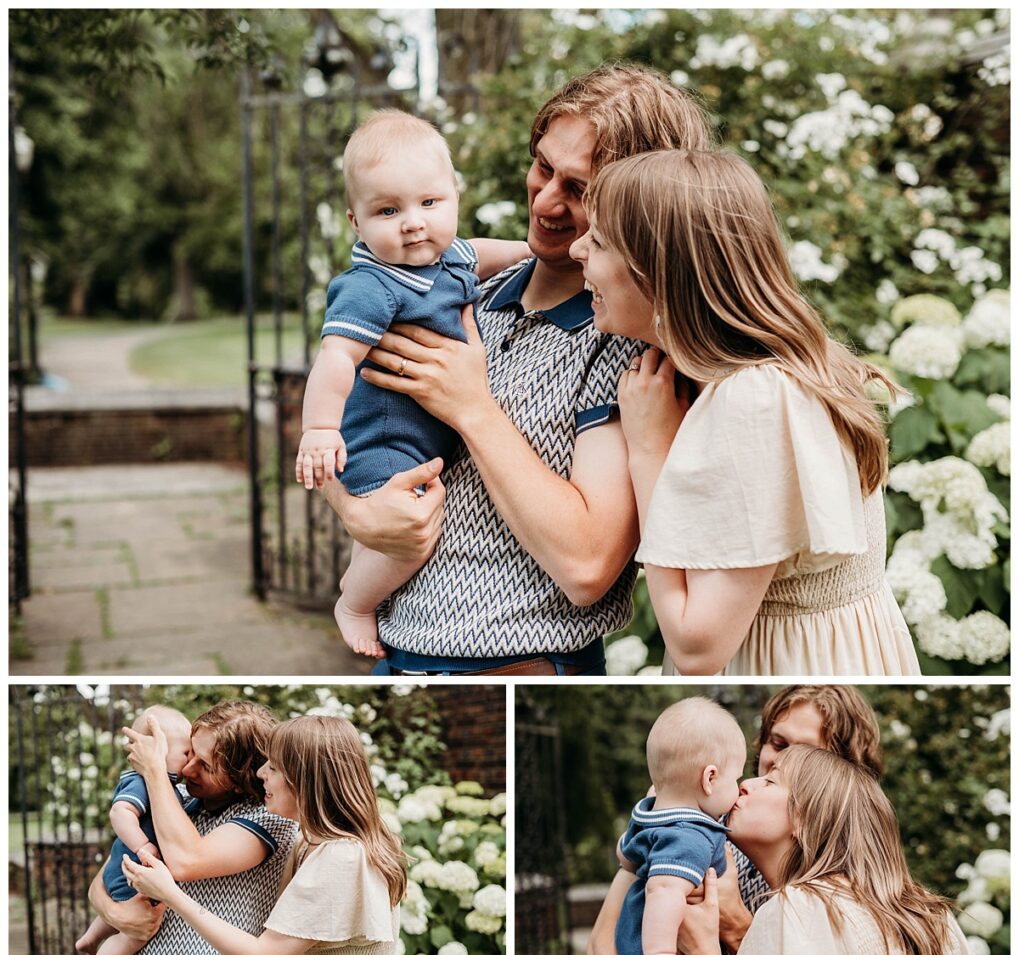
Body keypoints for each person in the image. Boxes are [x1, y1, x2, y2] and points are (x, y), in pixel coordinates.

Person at [321, 64, 715, 675]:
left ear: (641, 206)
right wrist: (353, 510)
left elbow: (586, 569)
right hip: (398, 656)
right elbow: (344, 419)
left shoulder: (629, 346)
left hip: (517, 667)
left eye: (580, 189)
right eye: (542, 167)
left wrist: (472, 406)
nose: (546, 200)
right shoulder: (461, 288)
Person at [570, 148, 921, 676]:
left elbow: (695, 647)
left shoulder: (755, 399)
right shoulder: (782, 369)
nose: (576, 249)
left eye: (597, 241)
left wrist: (648, 454)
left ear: (656, 273)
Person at [295, 110, 531, 659]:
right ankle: (354, 603)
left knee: (393, 528)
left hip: (421, 440)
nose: (412, 223)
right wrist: (319, 429)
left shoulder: (448, 258)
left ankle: (359, 576)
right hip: (386, 443)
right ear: (356, 222)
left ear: (453, 195)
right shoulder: (370, 287)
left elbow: (483, 252)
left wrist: (529, 251)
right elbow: (334, 358)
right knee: (412, 534)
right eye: (388, 210)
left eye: (429, 203)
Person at [586, 684, 885, 955]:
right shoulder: (701, 818)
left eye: (804, 753)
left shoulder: (835, 886)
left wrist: (734, 926)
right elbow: (605, 933)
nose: (779, 761)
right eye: (777, 743)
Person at [124, 715, 412, 955]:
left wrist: (171, 894)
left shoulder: (343, 857)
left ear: (305, 780)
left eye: (273, 767)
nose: (261, 773)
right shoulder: (312, 842)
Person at [681, 745, 985, 955]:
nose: (746, 784)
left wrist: (702, 949)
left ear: (805, 818)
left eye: (771, 781)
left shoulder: (795, 910)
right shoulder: (926, 913)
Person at [86, 700, 297, 955]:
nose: (186, 770)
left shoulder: (268, 821)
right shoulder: (177, 800)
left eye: (207, 766)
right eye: (189, 754)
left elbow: (187, 861)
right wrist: (115, 913)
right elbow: (105, 876)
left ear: (243, 777)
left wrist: (155, 770)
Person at [588, 698, 745, 955]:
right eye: (736, 779)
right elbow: (662, 890)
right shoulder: (691, 837)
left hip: (628, 932)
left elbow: (626, 856)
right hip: (656, 944)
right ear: (710, 778)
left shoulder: (649, 812)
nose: (739, 789)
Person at [78, 707, 193, 955]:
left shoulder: (168, 787)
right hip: (130, 870)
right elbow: (120, 812)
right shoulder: (140, 782)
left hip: (126, 871)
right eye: (186, 753)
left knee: (120, 909)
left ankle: (90, 939)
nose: (190, 761)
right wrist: (143, 845)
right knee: (138, 932)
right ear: (158, 750)